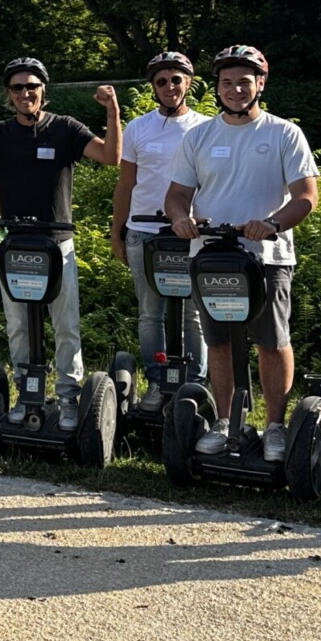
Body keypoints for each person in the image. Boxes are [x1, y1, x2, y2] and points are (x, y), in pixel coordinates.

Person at [0, 59, 123, 430]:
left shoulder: (65, 129)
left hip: (57, 244)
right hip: (16, 245)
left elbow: (110, 157)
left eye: (32, 86)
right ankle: (28, 393)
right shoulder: (0, 133)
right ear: (9, 94)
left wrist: (112, 111)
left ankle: (68, 398)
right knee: (19, 325)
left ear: (44, 90)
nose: (26, 93)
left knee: (65, 324)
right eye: (18, 87)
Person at [164, 46, 320, 462]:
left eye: (244, 82)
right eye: (227, 82)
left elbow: (306, 196)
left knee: (270, 341)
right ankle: (227, 420)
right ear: (216, 87)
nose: (235, 89)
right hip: (211, 254)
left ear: (260, 85)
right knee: (219, 343)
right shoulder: (199, 136)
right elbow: (177, 195)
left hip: (266, 257)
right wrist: (180, 220)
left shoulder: (283, 133)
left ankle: (274, 426)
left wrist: (273, 223)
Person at [108, 52, 210, 411]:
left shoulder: (206, 127)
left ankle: (194, 387)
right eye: (162, 82)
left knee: (194, 314)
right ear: (153, 87)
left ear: (189, 83)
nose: (170, 87)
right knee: (151, 314)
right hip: (144, 231)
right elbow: (126, 185)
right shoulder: (138, 128)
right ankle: (157, 382)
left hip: (190, 233)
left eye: (176, 80)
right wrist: (117, 232)